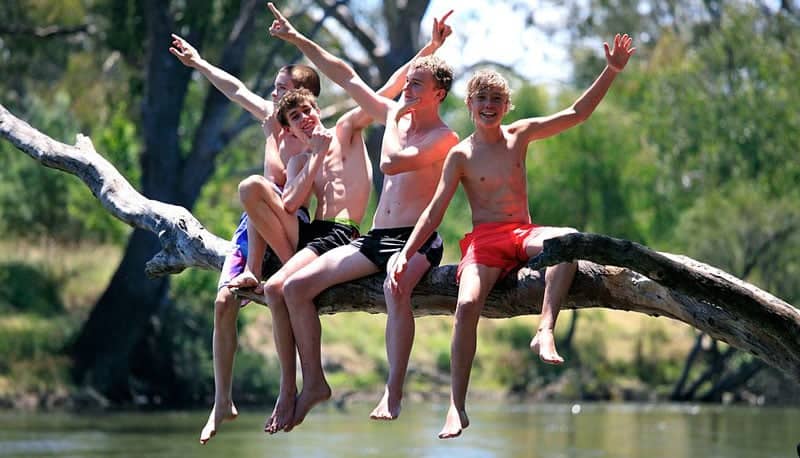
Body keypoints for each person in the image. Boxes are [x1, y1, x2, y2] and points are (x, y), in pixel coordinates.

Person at [169, 28, 449, 441]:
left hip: (339, 234)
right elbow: (237, 91)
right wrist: (198, 62)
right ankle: (256, 392)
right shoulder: (294, 144)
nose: (288, 107)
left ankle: (299, 387)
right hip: (303, 233)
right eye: (285, 106)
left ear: (312, 100)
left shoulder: (344, 129)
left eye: (293, 98)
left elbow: (371, 84)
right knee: (236, 293)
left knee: (281, 286)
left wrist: (429, 52)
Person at [388, 34, 636, 439]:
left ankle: (545, 330)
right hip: (486, 240)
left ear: (506, 107)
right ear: (469, 105)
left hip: (523, 232)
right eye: (481, 99)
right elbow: (435, 209)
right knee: (466, 303)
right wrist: (406, 252)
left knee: (568, 241)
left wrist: (610, 70)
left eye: (496, 100)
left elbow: (576, 112)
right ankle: (457, 406)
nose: (488, 106)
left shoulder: (519, 135)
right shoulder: (460, 155)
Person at [266, 2, 459, 428]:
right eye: (406, 82)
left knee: (395, 291)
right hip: (374, 238)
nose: (406, 89)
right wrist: (298, 38)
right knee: (295, 288)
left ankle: (393, 390)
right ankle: (313, 383)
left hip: (417, 239)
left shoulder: (445, 136)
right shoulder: (393, 114)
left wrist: (391, 118)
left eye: (417, 84)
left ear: (438, 94)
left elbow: (393, 163)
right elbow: (345, 75)